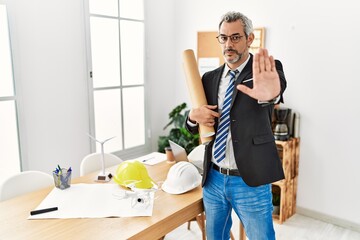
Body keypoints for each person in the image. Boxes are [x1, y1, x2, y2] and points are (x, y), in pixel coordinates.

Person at [185, 11, 287, 240]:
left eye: (235, 37)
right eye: (223, 37)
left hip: (250, 180)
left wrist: (270, 94)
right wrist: (193, 117)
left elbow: (275, 90)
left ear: (249, 39)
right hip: (213, 179)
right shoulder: (209, 78)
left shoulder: (265, 72)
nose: (228, 44)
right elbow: (194, 125)